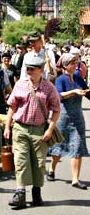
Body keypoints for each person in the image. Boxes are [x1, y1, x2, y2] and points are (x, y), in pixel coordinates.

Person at [4, 55, 60, 208]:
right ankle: (20, 193)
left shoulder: (49, 88)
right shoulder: (20, 85)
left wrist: (50, 129)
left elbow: (56, 110)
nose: (28, 71)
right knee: (21, 161)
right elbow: (12, 107)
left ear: (41, 70)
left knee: (39, 163)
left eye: (32, 68)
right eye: (27, 68)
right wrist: (7, 126)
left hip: (39, 131)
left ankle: (36, 192)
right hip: (20, 128)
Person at [47, 53, 90, 190]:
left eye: (76, 62)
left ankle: (75, 179)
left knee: (77, 147)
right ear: (65, 66)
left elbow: (87, 93)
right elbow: (59, 96)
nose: (75, 65)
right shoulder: (60, 80)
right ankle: (52, 168)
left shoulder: (79, 78)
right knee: (58, 147)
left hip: (78, 118)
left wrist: (84, 91)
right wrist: (74, 92)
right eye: (72, 62)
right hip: (63, 118)